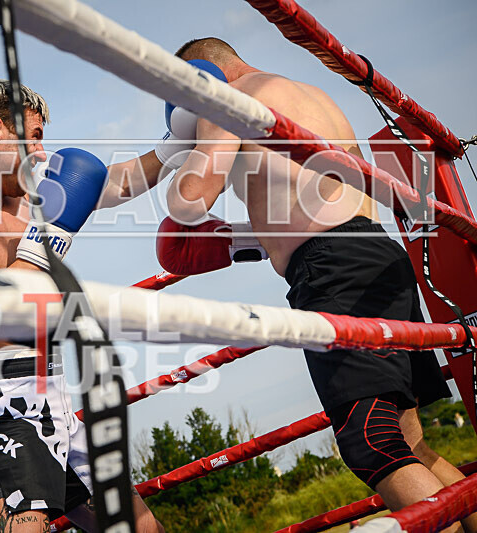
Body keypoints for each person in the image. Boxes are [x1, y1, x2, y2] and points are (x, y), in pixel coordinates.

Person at [160, 38, 476, 532]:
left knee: (371, 443)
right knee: (411, 444)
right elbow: (318, 197)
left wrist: (189, 152)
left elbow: (194, 196)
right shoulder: (309, 95)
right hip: (379, 256)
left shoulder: (228, 100)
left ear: (200, 76)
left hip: (332, 270)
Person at [0, 79, 164, 533]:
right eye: (35, 136)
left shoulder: (23, 202)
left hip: (53, 393)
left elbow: (102, 183)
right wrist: (50, 237)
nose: (41, 153)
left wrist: (178, 144)